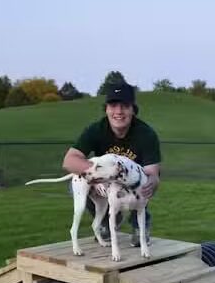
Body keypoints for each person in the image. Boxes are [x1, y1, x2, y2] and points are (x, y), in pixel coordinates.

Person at [62, 82, 161, 246]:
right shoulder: (96, 130)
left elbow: (152, 172)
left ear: (133, 110)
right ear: (106, 109)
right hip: (107, 183)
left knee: (143, 182)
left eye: (125, 106)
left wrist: (152, 182)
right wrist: (95, 175)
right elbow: (69, 160)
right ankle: (106, 220)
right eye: (113, 105)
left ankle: (140, 226)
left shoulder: (146, 134)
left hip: (134, 182)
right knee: (78, 181)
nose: (119, 111)